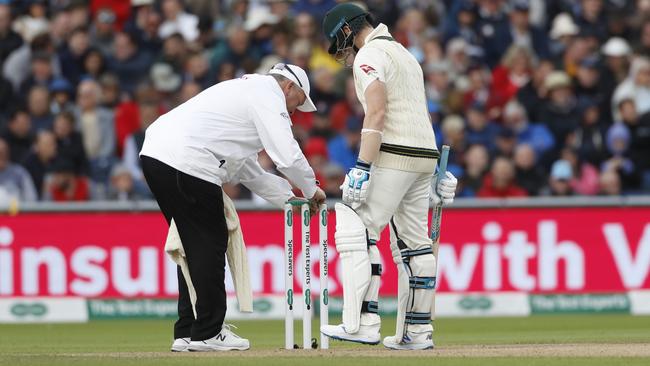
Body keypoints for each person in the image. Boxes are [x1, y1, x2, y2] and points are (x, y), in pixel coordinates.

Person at [139, 62, 325, 352]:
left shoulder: (242, 97)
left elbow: (249, 171)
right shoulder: (266, 93)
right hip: (187, 160)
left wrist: (290, 199)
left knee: (191, 244)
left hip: (157, 155)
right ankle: (208, 332)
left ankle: (188, 330)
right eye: (296, 105)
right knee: (210, 243)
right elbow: (286, 155)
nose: (292, 114)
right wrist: (313, 190)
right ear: (289, 87)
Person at [320, 3, 457, 350]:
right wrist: (435, 167)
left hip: (394, 153)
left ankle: (361, 323)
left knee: (358, 228)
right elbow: (419, 110)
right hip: (424, 154)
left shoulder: (370, 55)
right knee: (415, 245)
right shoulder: (405, 54)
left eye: (340, 42)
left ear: (348, 30)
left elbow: (377, 110)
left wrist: (363, 166)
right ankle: (417, 333)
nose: (342, 53)